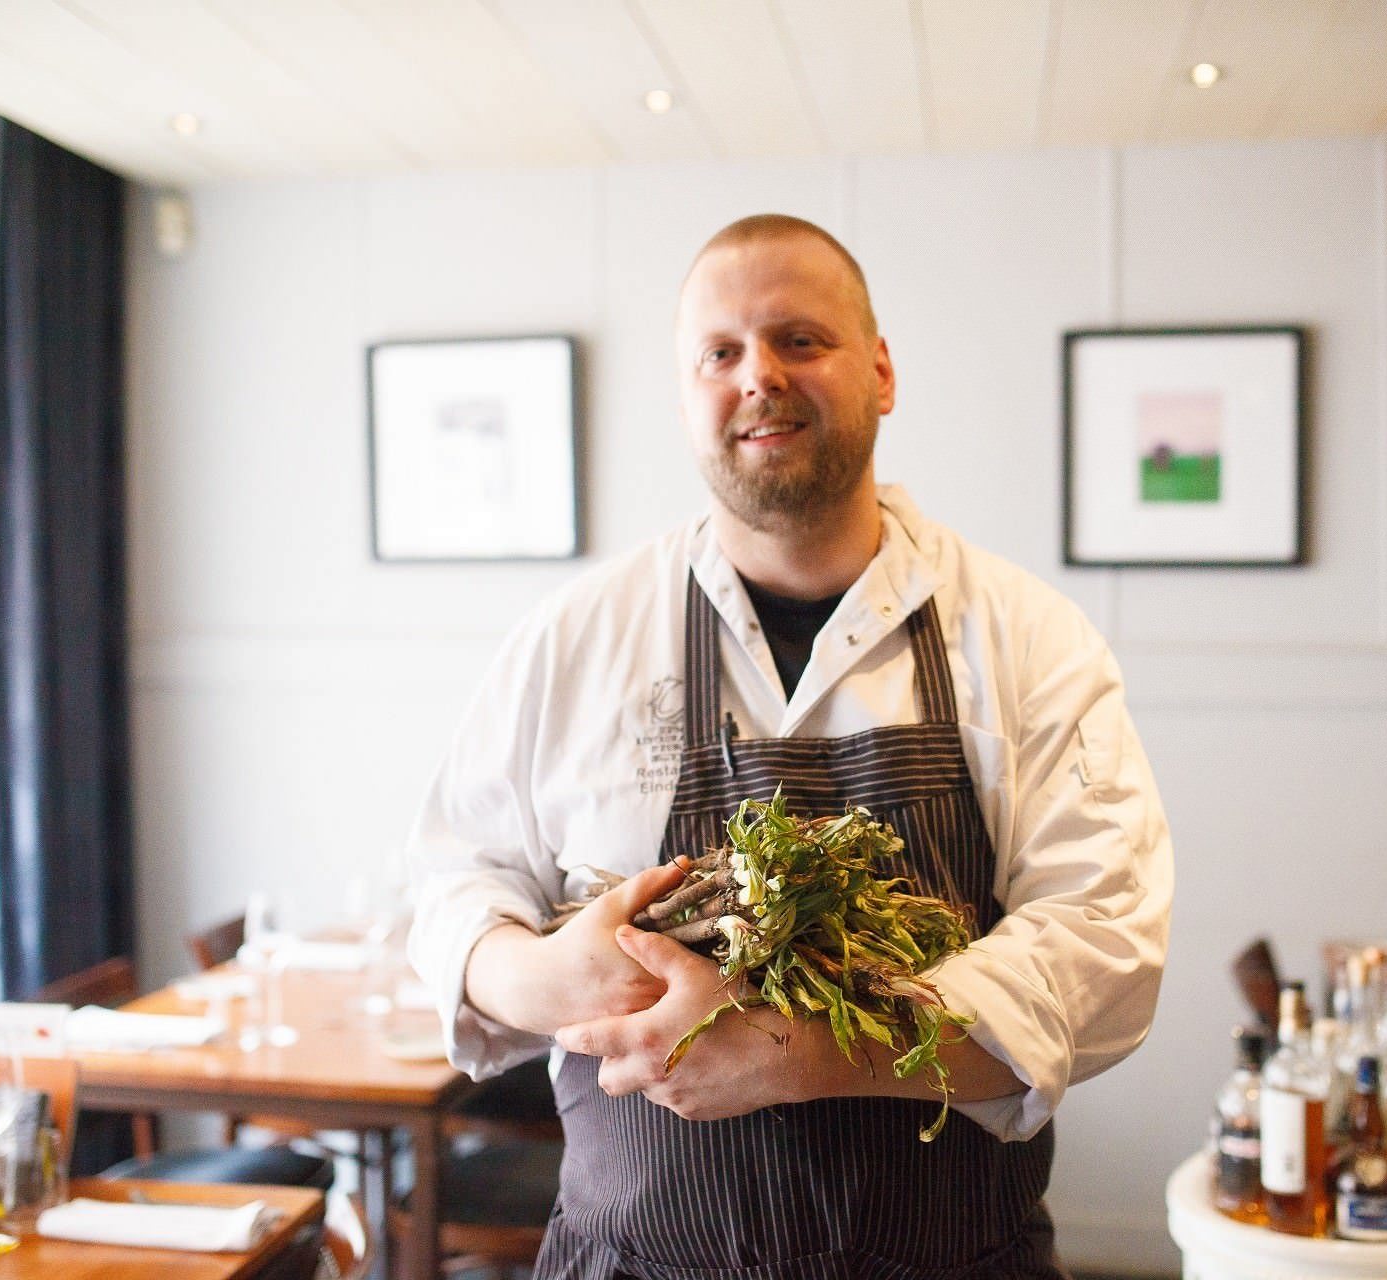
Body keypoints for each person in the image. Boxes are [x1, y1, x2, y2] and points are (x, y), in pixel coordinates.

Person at [406, 213, 1174, 1279]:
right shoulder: (576, 640)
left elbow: (1105, 947)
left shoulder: (1025, 637)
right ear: (686, 397)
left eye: (799, 339)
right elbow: (453, 888)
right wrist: (543, 974)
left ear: (881, 370)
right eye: (719, 353)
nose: (757, 375)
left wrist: (803, 1050)